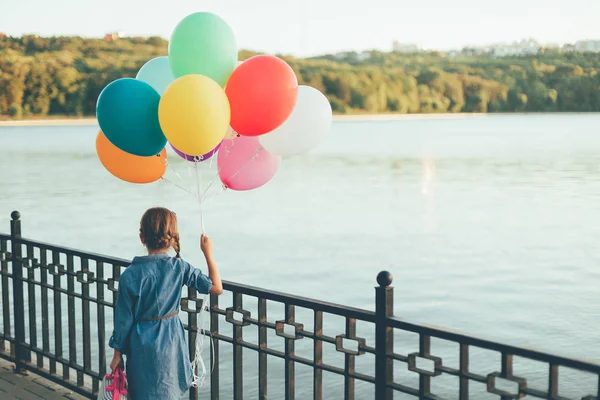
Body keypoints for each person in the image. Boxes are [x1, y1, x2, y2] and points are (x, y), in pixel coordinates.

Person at [108, 207, 223, 399]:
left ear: (142, 238)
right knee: (169, 390)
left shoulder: (130, 274)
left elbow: (123, 321)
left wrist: (117, 354)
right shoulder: (179, 267)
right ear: (172, 238)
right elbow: (216, 287)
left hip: (141, 344)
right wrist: (208, 252)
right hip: (170, 341)